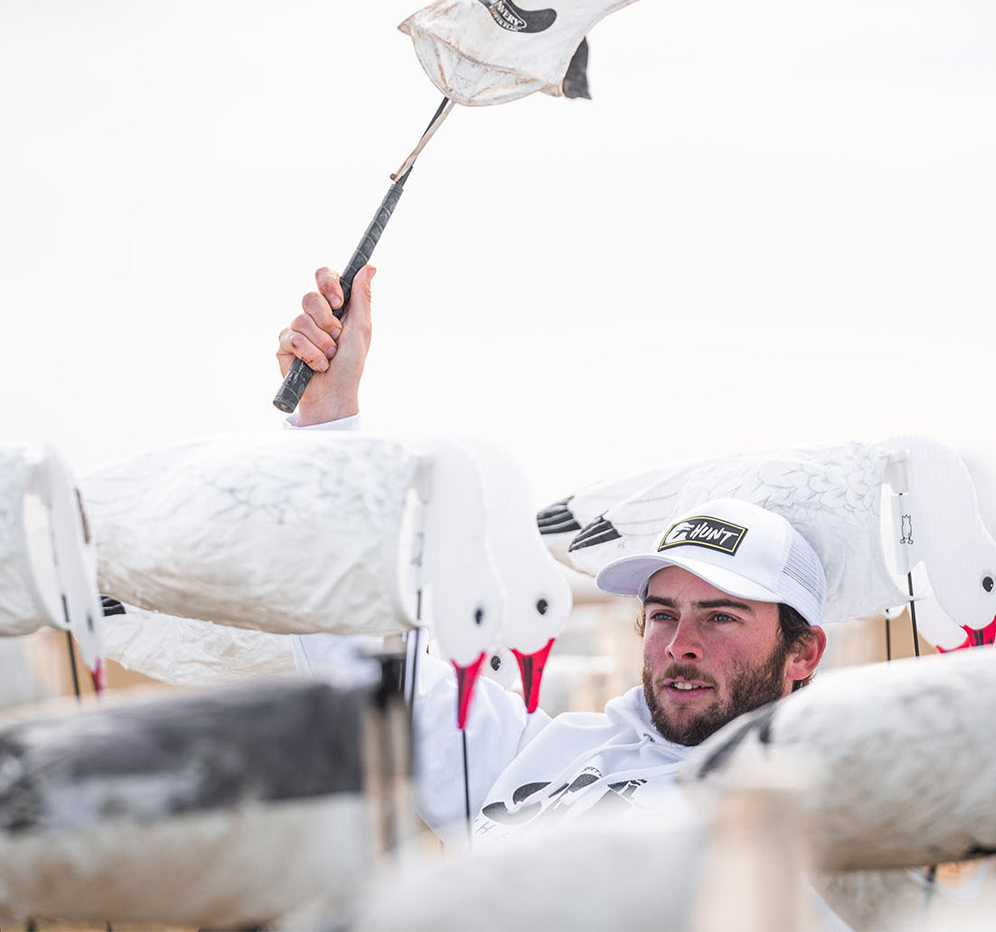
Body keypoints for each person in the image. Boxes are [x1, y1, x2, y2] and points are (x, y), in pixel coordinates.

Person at [278, 266, 828, 842]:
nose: (679, 645)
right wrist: (326, 420)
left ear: (803, 653)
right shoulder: (543, 753)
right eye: (664, 614)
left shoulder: (814, 820)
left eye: (720, 617)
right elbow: (359, 671)